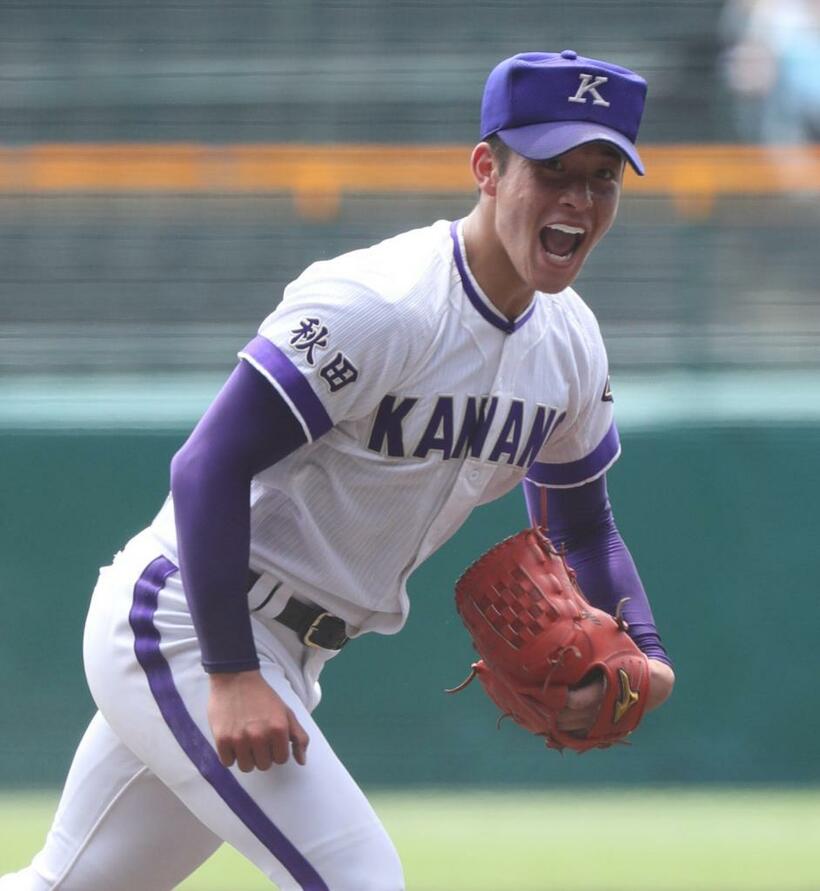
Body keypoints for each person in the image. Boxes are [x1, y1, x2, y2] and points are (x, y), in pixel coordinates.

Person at [3, 50, 675, 891]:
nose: (577, 197)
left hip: (290, 650)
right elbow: (207, 464)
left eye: (602, 176)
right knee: (361, 879)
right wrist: (231, 672)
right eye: (552, 168)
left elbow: (583, 525)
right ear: (486, 170)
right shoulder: (383, 301)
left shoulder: (570, 344)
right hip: (184, 620)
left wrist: (646, 650)